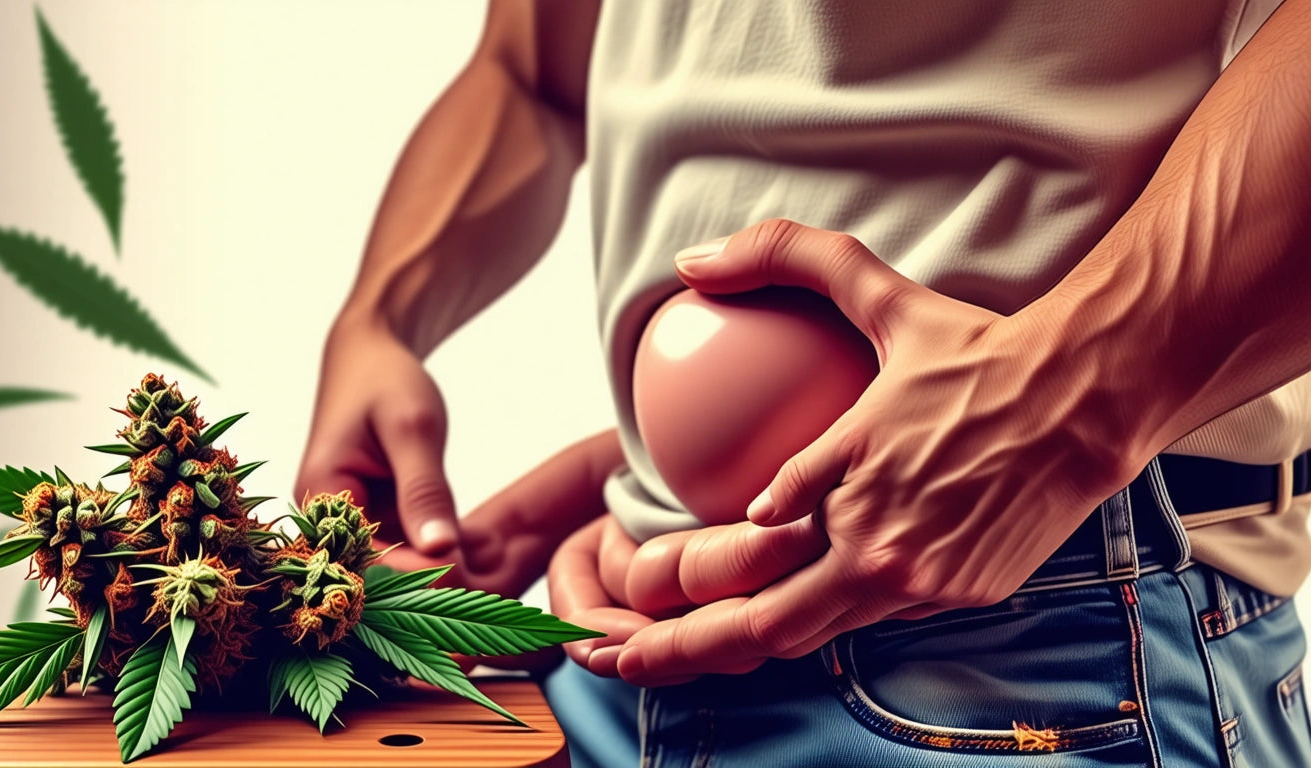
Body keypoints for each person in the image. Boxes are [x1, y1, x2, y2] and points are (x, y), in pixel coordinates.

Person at [295, 1, 1311, 765]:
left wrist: (1079, 393)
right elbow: (534, 71)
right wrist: (379, 319)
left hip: (1032, 649)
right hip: (624, 655)